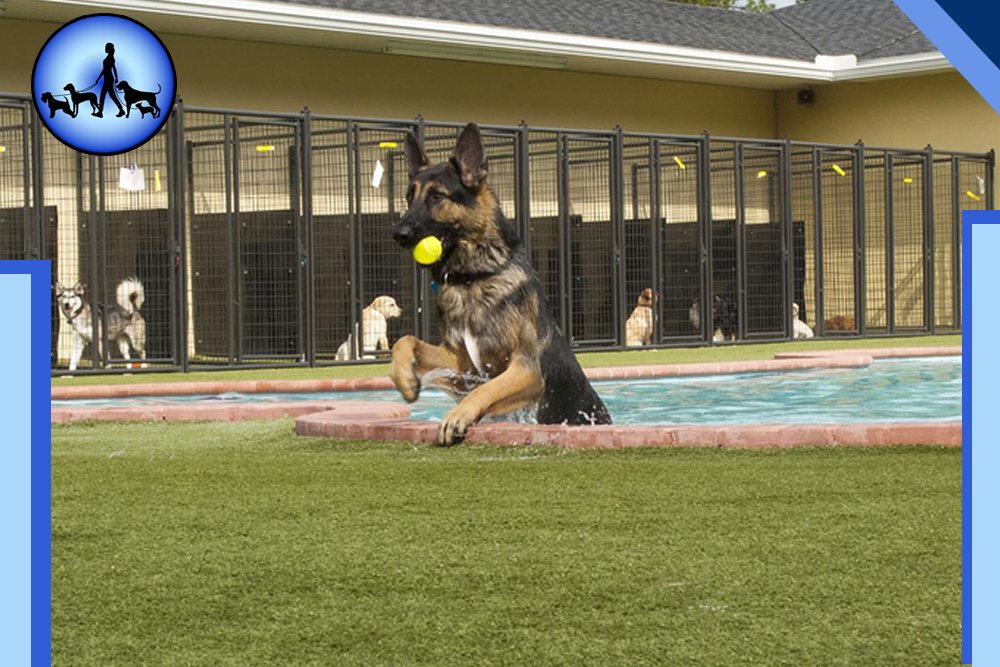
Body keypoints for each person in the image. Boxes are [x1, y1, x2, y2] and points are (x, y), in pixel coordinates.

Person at [93, 42, 125, 118]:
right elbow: (107, 69)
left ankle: (101, 112)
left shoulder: (110, 58)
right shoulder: (109, 57)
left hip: (109, 79)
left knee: (107, 95)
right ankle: (120, 110)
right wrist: (98, 78)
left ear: (108, 49)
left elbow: (111, 69)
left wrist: (116, 78)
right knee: (109, 95)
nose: (105, 49)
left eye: (106, 47)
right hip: (108, 79)